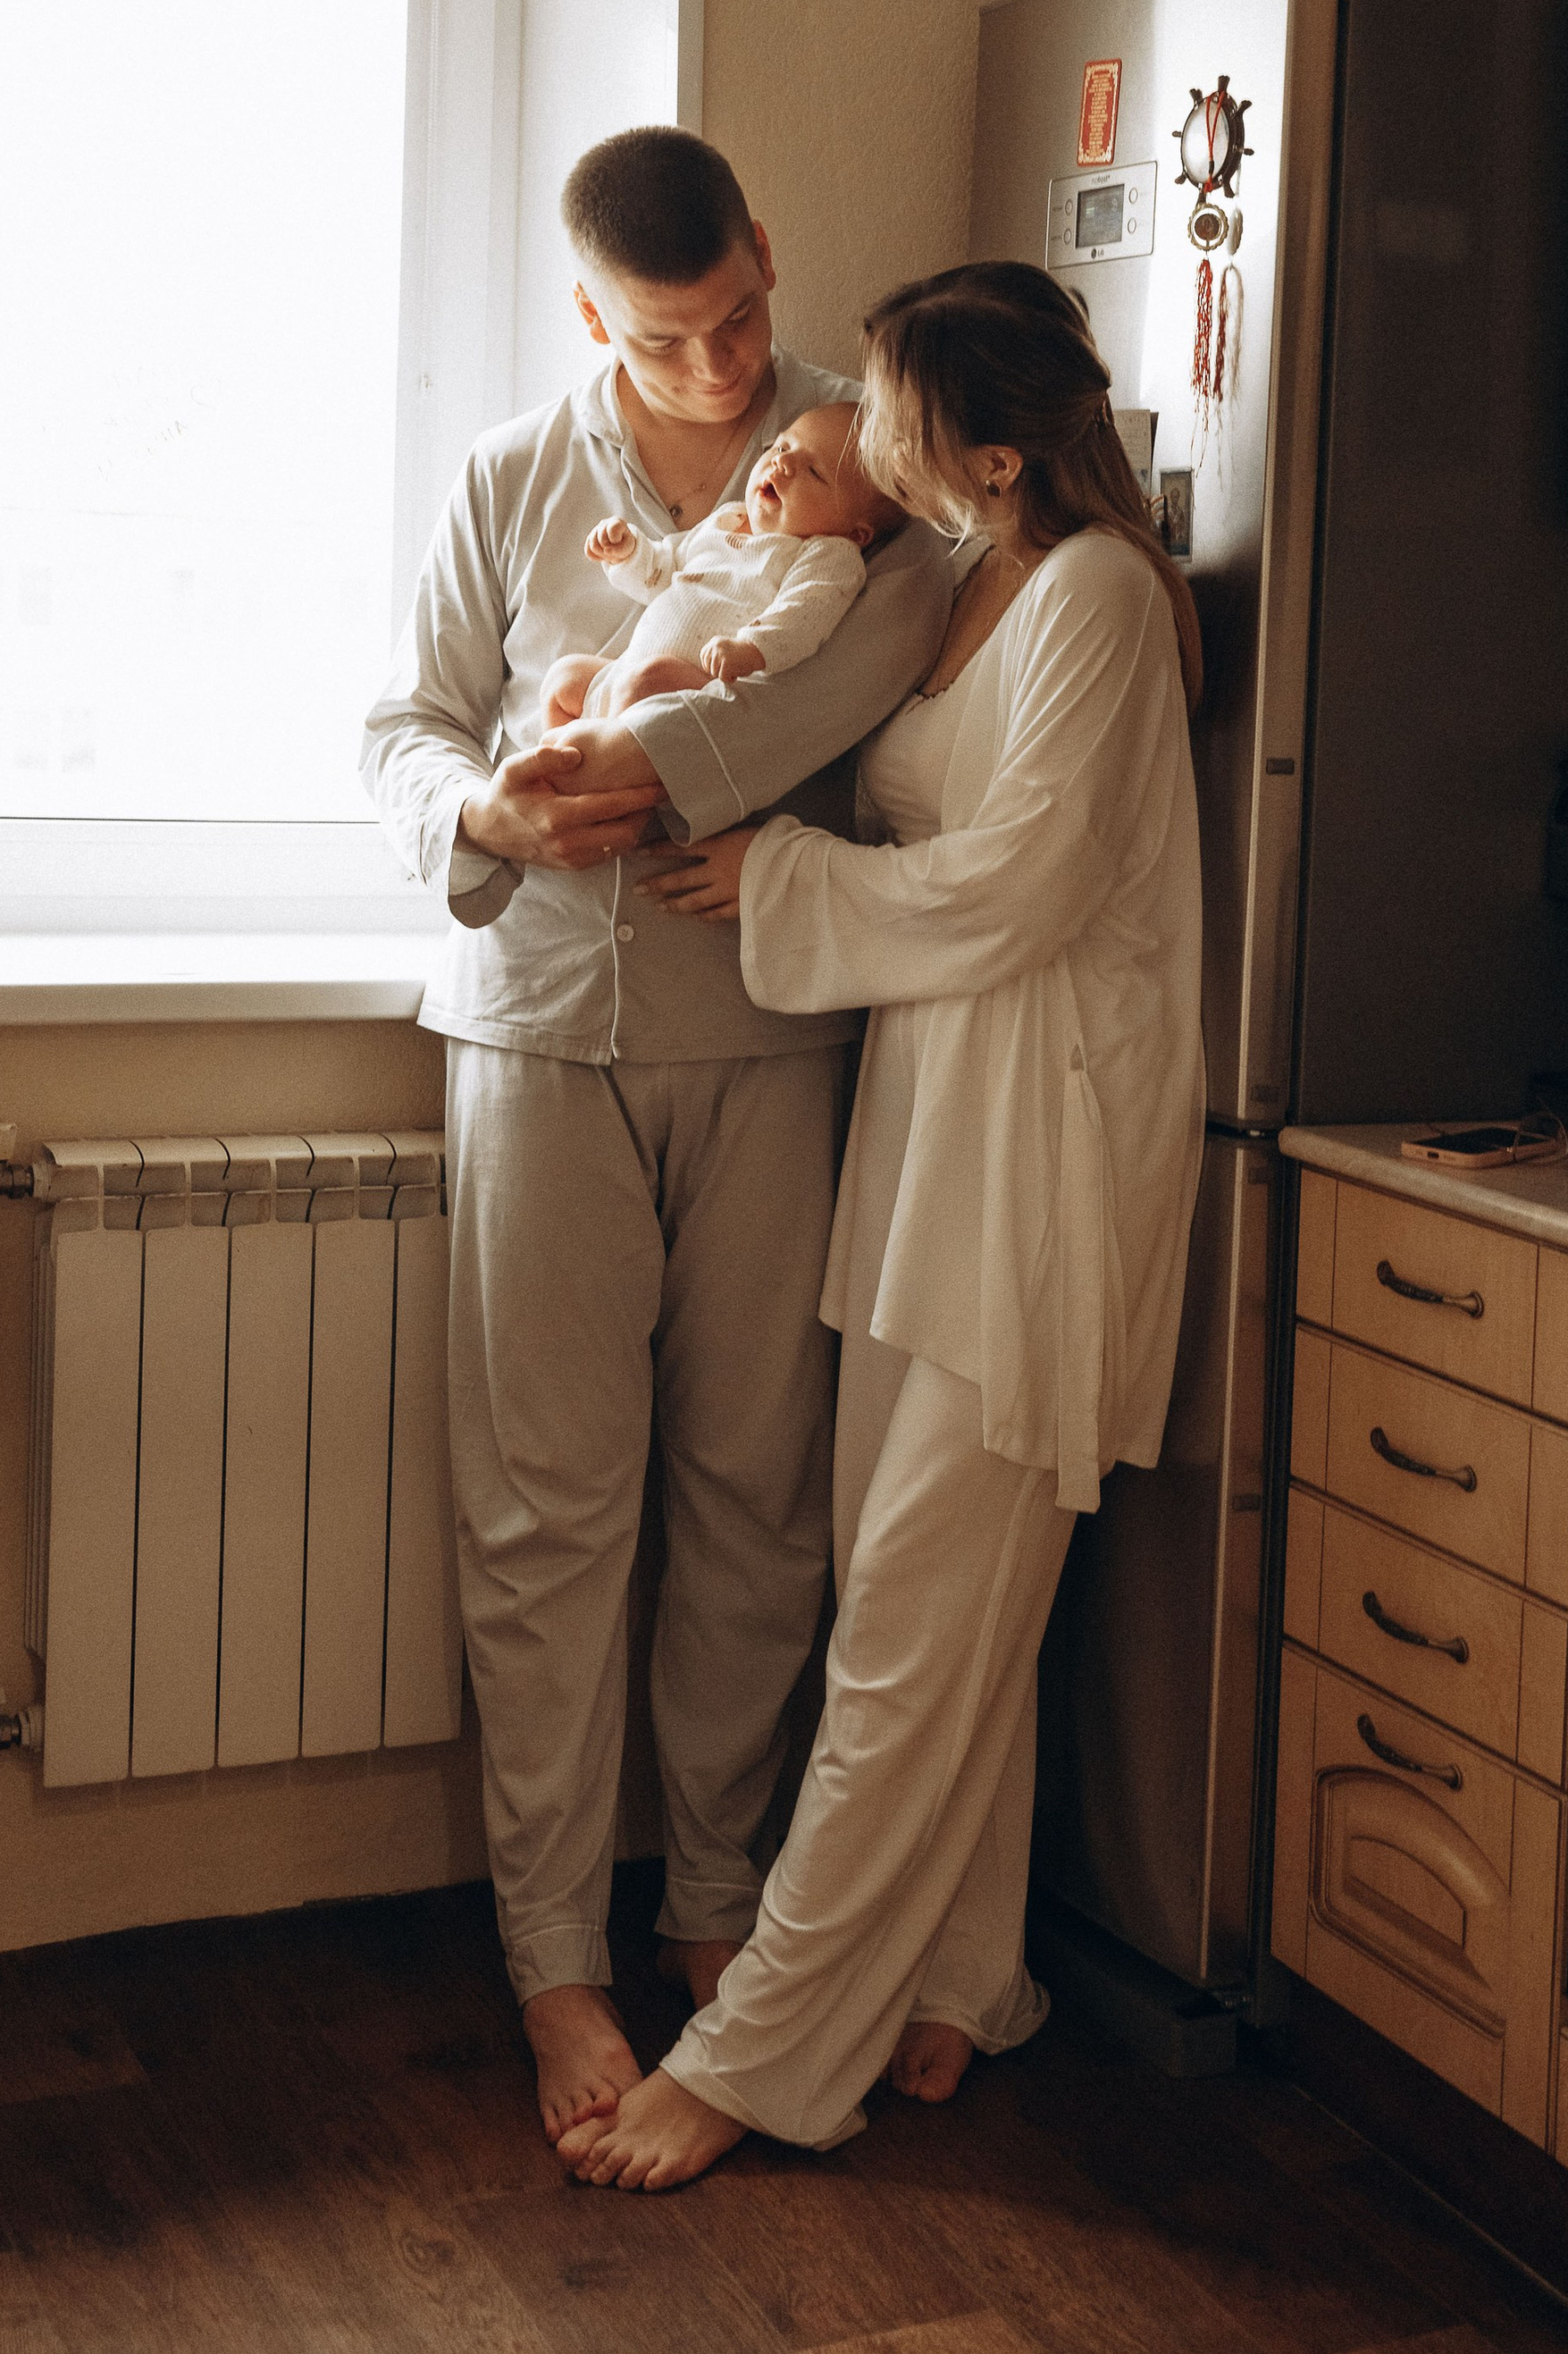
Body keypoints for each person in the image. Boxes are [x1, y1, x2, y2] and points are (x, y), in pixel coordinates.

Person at [559, 257, 1205, 2191]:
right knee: (921, 1597)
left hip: (1037, 1152)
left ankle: (762, 2054)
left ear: (991, 452)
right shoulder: (962, 578)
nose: (855, 422)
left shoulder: (1093, 596)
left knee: (915, 1623)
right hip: (928, 1121)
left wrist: (781, 872)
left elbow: (1021, 884)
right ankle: (961, 1968)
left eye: (897, 408)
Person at [359, 129, 952, 2147]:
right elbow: (397, 727)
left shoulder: (859, 455)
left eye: (738, 321)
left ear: (767, 257)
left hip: (771, 1032)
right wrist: (496, 817)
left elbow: (865, 666)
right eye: (670, 338)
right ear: (592, 316)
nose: (718, 367)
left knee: (755, 1493)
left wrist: (634, 758)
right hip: (532, 1030)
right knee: (542, 1511)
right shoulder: (506, 475)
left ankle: (718, 1908)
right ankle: (553, 1958)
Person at [545, 405, 901, 723]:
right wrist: (629, 553)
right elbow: (664, 570)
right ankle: (562, 765)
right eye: (782, 446)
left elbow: (805, 614)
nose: (782, 463)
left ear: (857, 534)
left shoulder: (827, 555)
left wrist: (752, 648)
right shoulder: (727, 519)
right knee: (564, 677)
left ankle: (587, 772)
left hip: (696, 688)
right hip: (628, 671)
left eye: (813, 471)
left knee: (648, 680)